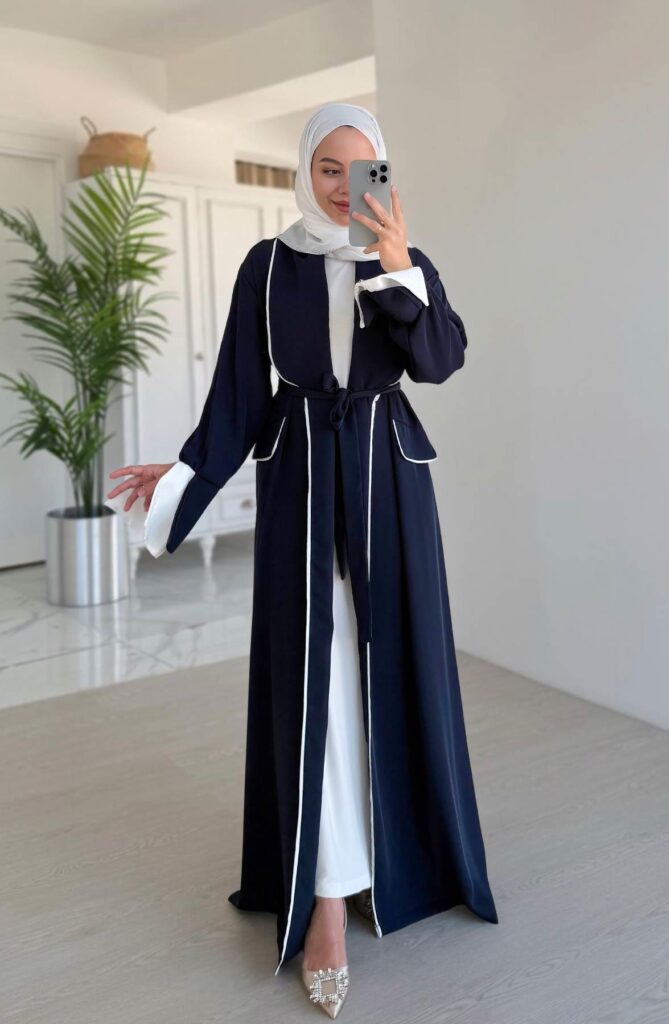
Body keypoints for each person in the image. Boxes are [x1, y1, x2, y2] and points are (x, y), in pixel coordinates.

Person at [106, 102, 498, 1018]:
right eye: (328, 168)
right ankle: (325, 896)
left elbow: (438, 362)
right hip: (301, 479)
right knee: (316, 679)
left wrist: (394, 267)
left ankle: (393, 856)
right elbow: (241, 393)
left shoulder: (405, 258)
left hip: (388, 482)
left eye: (362, 170)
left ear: (383, 174)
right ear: (304, 171)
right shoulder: (267, 264)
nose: (342, 186)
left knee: (386, 668)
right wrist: (185, 475)